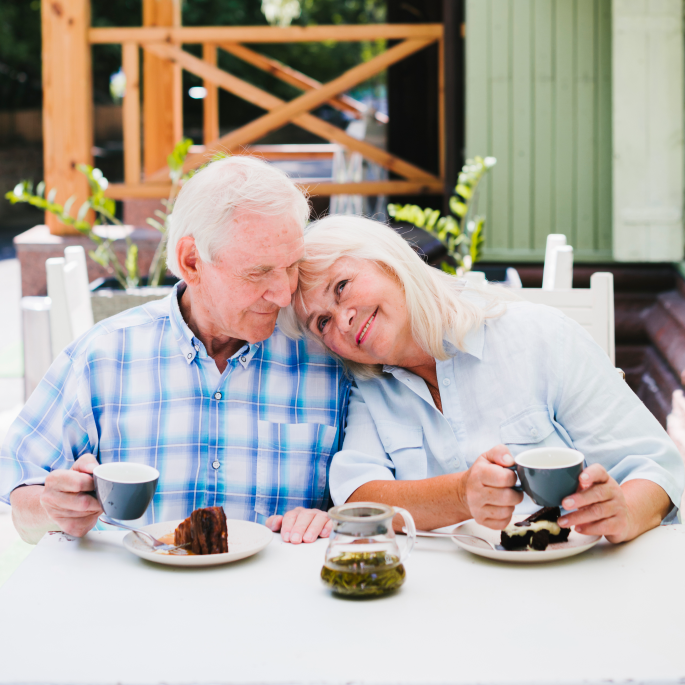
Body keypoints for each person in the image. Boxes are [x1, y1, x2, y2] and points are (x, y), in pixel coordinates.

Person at [1, 156, 348, 545]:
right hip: (135, 600)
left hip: (274, 600)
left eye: (291, 266)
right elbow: (18, 494)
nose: (284, 293)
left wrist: (332, 518)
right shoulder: (105, 355)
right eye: (258, 272)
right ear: (191, 261)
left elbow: (369, 503)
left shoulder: (329, 359)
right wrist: (53, 507)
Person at [279, 215, 684, 542]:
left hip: (569, 588)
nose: (344, 319)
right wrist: (460, 495)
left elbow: (658, 467)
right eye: (323, 322)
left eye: (342, 286)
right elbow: (358, 498)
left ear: (388, 261)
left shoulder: (538, 336)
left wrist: (623, 513)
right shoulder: (370, 387)